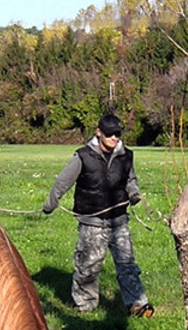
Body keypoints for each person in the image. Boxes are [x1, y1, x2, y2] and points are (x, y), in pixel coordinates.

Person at [43, 113, 154, 317]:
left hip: (119, 220)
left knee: (127, 264)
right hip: (91, 222)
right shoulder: (83, 156)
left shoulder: (126, 155)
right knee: (89, 266)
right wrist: (50, 204)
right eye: (110, 134)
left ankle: (136, 304)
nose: (114, 138)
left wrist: (134, 192)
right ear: (99, 132)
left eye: (118, 134)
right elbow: (63, 182)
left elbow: (131, 179)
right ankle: (86, 305)